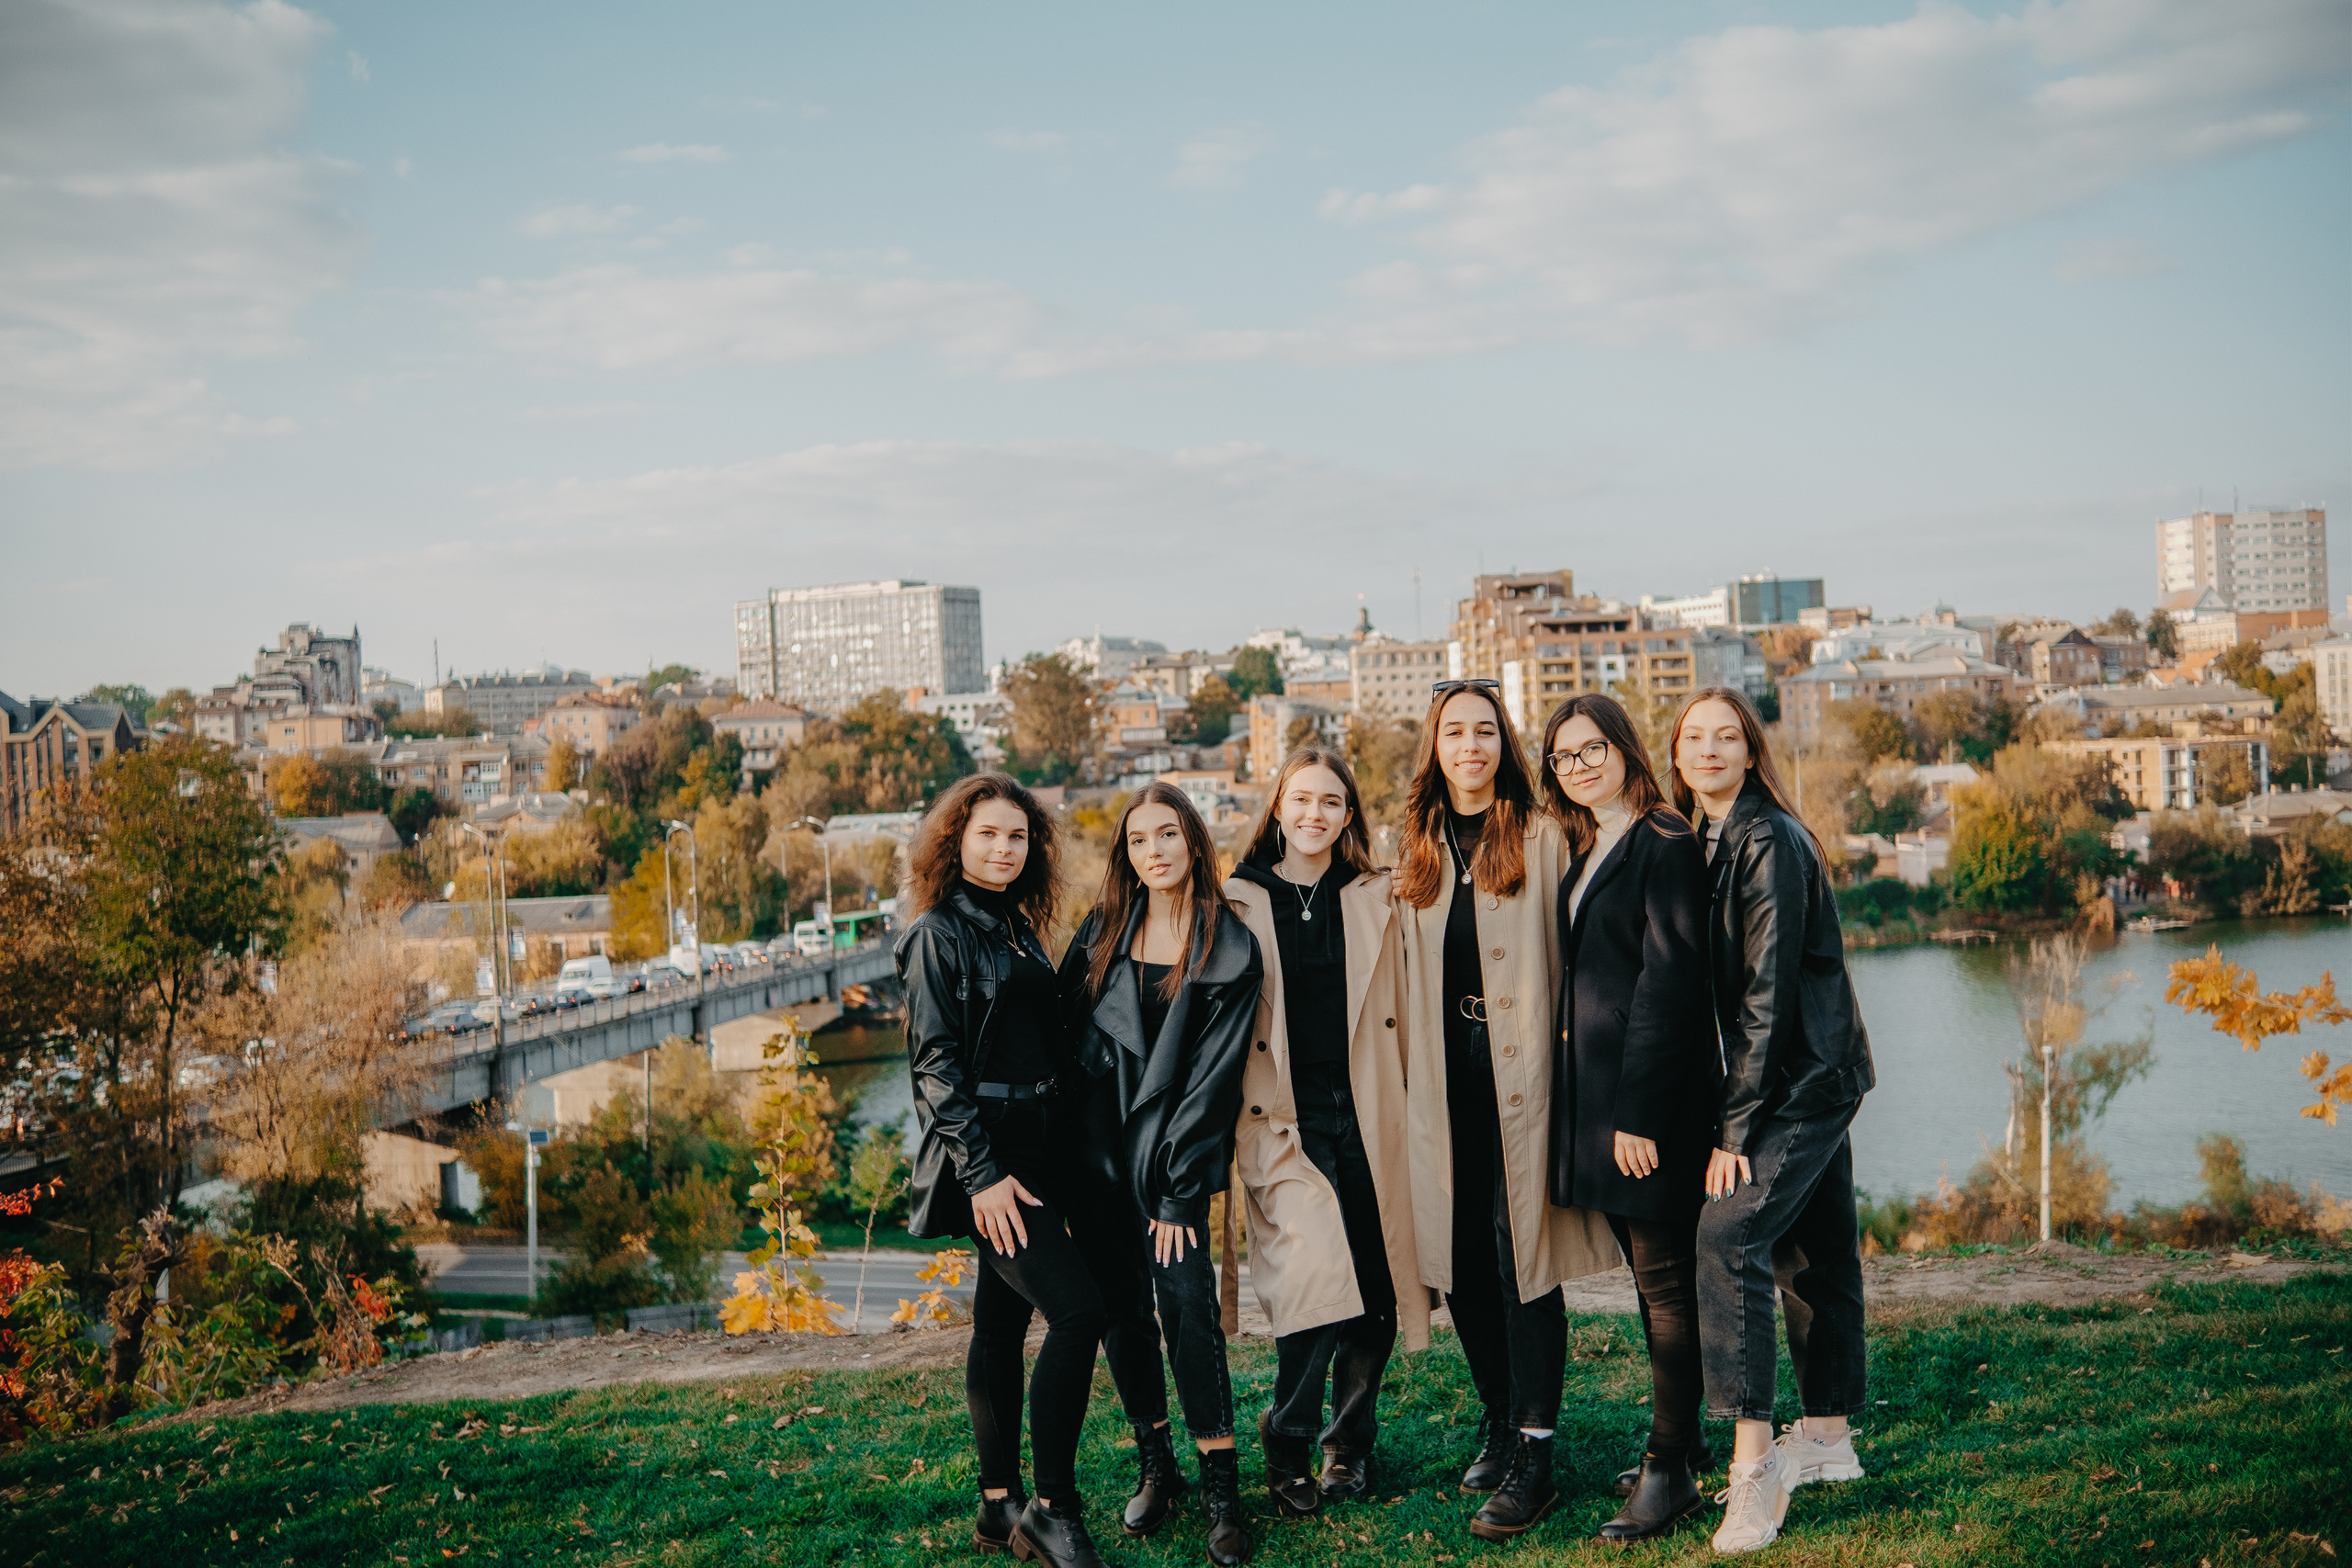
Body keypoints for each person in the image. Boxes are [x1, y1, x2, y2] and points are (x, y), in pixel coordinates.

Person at [1394, 679, 1620, 1544]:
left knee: (1524, 1255)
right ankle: (1498, 1417)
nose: (1472, 745)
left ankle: (1536, 1452)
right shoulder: (1414, 846)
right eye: (1455, 731)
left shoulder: (1543, 833)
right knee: (1463, 1263)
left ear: (1503, 743)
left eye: (1486, 730)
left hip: (1523, 1082)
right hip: (1443, 1083)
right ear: (1437, 746)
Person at [1668, 687, 1876, 1555]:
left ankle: (1752, 1476)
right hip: (1805, 1068)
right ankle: (1827, 1437)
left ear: (1752, 752)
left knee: (1729, 1233)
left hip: (1806, 1077)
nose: (1710, 749)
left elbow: (1767, 995)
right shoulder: (1707, 837)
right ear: (1675, 752)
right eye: (1694, 737)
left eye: (1728, 737)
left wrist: (1734, 1131)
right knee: (1815, 1247)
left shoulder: (1767, 839)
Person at [895, 773, 1109, 1568]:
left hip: (1039, 1147)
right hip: (992, 1157)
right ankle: (1053, 1508)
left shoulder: (1015, 926)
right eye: (987, 833)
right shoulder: (936, 934)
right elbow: (937, 1068)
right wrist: (982, 1174)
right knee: (1078, 1313)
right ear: (956, 840)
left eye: (1017, 836)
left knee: (1000, 1326)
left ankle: (996, 1506)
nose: (1003, 848)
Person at [1061, 781, 1263, 1567]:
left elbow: (1213, 1082)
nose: (1154, 851)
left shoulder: (1229, 944)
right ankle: (1158, 1462)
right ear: (1127, 852)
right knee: (1121, 1313)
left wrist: (1179, 1193)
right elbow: (1067, 1036)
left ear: (1193, 842)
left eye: (1168, 835)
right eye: (1140, 839)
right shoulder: (1105, 931)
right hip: (1098, 1160)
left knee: (1188, 1312)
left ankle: (1222, 1485)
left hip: (1173, 1165)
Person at [1221, 748, 1424, 1519]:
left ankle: (1348, 1444)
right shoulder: (1236, 899)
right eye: (1301, 799)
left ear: (1348, 816)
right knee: (1315, 1287)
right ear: (1278, 808)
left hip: (1372, 1112)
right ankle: (1289, 1434)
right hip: (1283, 1122)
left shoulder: (1377, 894)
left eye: (1331, 802)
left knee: (1374, 1288)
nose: (1314, 814)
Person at [1538, 694, 1721, 1543]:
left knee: (1664, 1284)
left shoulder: (1664, 838)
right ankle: (1682, 1439)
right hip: (1600, 1106)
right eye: (1564, 757)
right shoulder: (1590, 843)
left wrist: (1639, 1113)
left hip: (1651, 1109)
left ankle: (1669, 1469)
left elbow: (1671, 979)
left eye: (1592, 749)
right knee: (1653, 1285)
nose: (1579, 766)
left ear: (1624, 747)